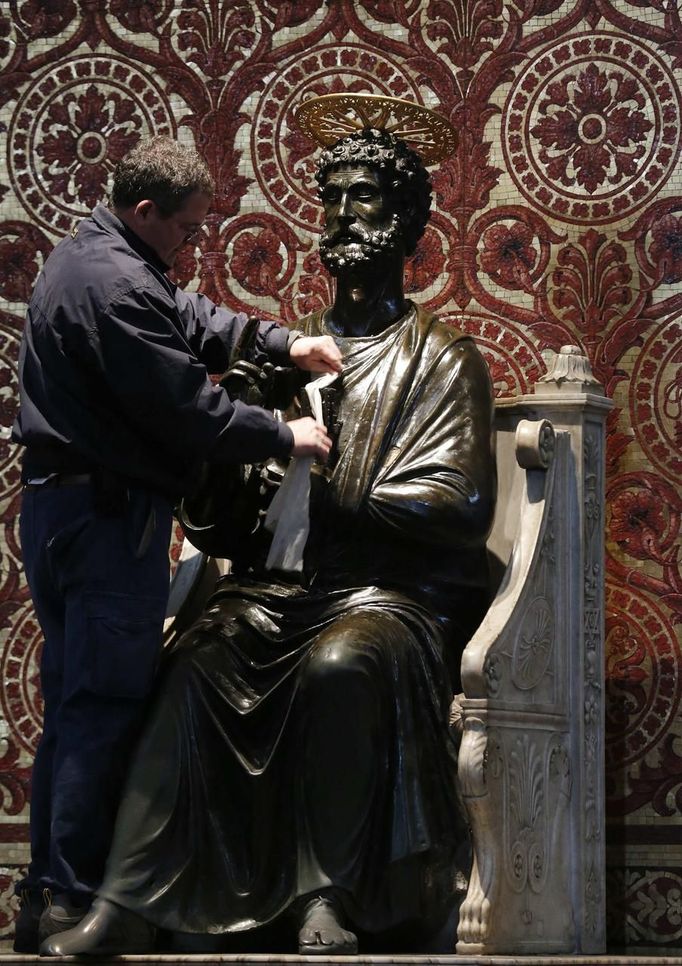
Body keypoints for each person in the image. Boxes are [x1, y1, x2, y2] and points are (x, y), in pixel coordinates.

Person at [42, 125, 496, 958]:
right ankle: (129, 898)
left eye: (365, 198)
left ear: (406, 225)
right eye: (333, 199)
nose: (343, 215)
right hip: (274, 592)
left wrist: (336, 498)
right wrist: (224, 462)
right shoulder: (287, 347)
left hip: (381, 597)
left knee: (342, 665)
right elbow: (224, 517)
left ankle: (331, 893)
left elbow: (460, 502)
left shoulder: (442, 358)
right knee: (192, 667)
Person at [11, 135, 341, 953]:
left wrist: (279, 343)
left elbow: (184, 313)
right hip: (105, 520)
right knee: (103, 708)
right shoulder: (115, 287)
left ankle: (45, 893)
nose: (192, 246)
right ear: (145, 209)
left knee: (76, 705)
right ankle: (70, 899)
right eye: (187, 231)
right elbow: (187, 409)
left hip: (70, 511)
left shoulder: (103, 254)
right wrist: (283, 432)